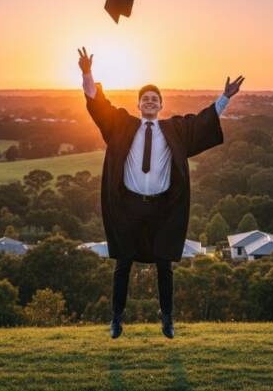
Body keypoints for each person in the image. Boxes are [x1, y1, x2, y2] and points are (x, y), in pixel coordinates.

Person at [78, 46, 244, 339]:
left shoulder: (175, 130)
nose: (150, 102)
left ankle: (167, 319)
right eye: (145, 99)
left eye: (155, 99)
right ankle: (116, 320)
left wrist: (225, 98)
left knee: (164, 264)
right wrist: (87, 72)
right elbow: (97, 102)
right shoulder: (121, 125)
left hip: (162, 209)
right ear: (139, 104)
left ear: (161, 105)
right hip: (128, 206)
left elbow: (204, 120)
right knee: (123, 263)